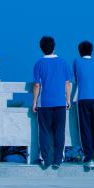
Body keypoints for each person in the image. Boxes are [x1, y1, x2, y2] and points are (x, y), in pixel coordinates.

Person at [32, 35, 72, 170]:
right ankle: (57, 160)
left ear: (41, 48)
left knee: (44, 131)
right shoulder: (63, 62)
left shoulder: (38, 64)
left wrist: (34, 102)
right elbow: (67, 83)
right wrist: (68, 100)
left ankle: (45, 159)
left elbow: (37, 85)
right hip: (60, 102)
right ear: (54, 47)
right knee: (59, 132)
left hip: (44, 103)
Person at [73, 41, 94, 169]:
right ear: (92, 51)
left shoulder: (77, 62)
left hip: (83, 97)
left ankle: (89, 157)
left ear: (79, 51)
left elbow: (76, 78)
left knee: (85, 128)